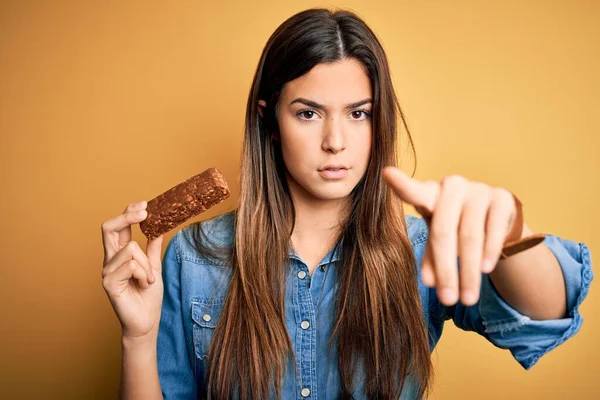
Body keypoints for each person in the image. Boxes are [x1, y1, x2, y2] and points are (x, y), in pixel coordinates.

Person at [100, 7, 593, 400]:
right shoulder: (193, 255)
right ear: (269, 121)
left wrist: (507, 235)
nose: (335, 141)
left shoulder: (420, 245)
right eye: (309, 113)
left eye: (359, 113)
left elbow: (542, 322)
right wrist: (137, 338)